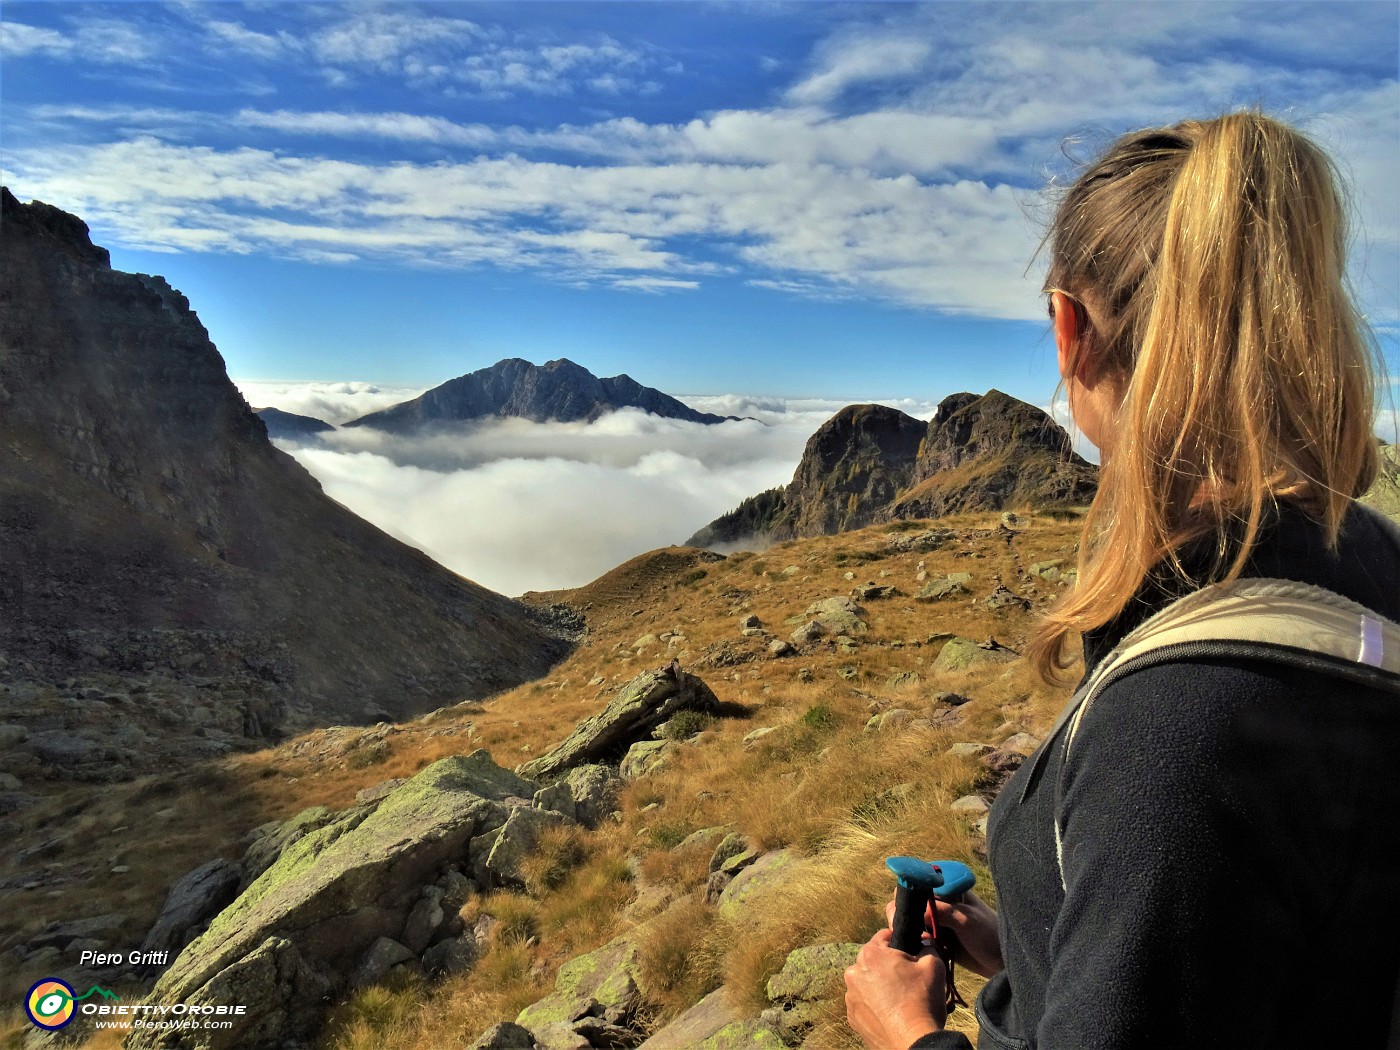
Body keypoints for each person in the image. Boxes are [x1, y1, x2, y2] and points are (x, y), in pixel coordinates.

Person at [844, 111, 1400, 1049]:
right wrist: (1043, 943)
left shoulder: (1176, 725)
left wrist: (908, 1033)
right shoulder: (1377, 566)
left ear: (1070, 329)